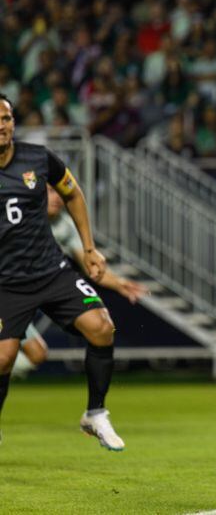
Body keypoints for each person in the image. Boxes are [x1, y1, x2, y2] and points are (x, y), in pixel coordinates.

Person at [0, 93, 124, 450]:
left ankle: (95, 414)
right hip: (7, 283)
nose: (2, 125)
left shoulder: (37, 158)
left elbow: (72, 193)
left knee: (102, 327)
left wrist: (88, 247)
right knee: (4, 358)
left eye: (6, 118)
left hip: (51, 270)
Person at [13, 185, 147, 376]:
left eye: (60, 192)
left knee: (36, 355)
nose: (58, 198)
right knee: (6, 355)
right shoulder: (16, 218)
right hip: (6, 297)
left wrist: (119, 283)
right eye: (51, 192)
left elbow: (89, 266)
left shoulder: (65, 225)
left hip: (22, 300)